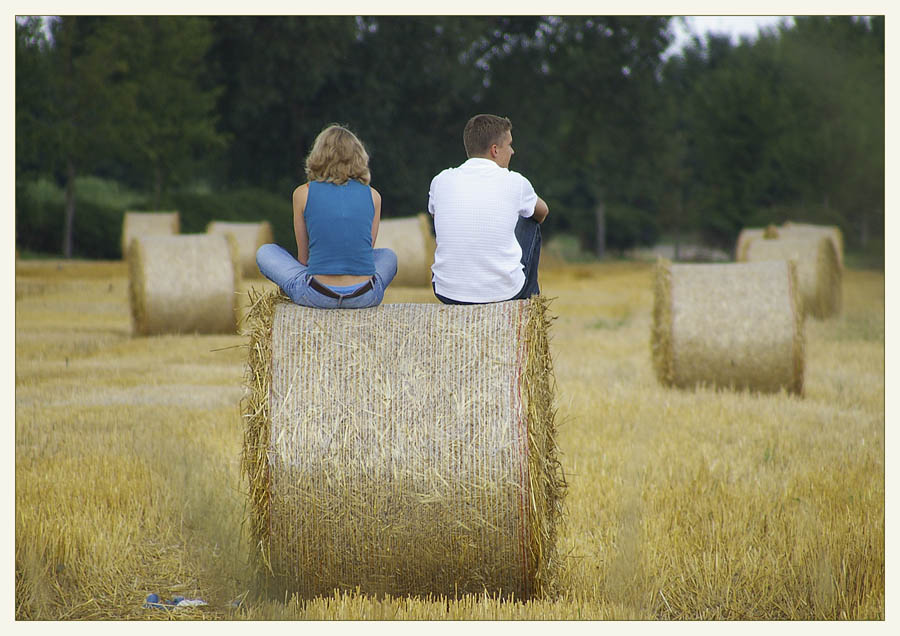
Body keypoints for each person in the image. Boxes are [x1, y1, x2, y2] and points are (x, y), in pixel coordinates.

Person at [256, 124, 397, 309]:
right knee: (388, 256)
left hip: (317, 295)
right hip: (364, 296)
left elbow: (304, 260)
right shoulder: (373, 196)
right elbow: (364, 254)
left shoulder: (302, 194)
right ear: (359, 157)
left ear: (317, 155)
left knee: (265, 252)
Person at [427, 114, 549, 305]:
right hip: (504, 293)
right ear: (495, 150)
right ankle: (529, 302)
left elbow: (436, 216)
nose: (513, 151)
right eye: (509, 145)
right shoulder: (516, 182)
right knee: (530, 220)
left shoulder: (441, 180)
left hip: (446, 292)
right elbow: (543, 212)